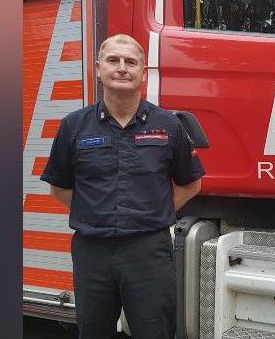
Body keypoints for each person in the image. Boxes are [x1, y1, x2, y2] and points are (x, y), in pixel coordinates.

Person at [40, 34, 204, 339]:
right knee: (94, 332)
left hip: (148, 251)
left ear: (143, 72)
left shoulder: (168, 125)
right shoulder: (74, 126)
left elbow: (190, 184)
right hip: (92, 251)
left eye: (131, 62)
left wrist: (151, 212)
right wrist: (97, 213)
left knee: (155, 331)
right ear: (99, 69)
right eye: (114, 60)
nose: (122, 68)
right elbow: (59, 188)